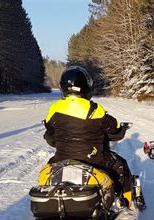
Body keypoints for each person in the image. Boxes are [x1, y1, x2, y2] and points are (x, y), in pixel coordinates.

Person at [43, 66, 133, 206]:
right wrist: (121, 129)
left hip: (62, 159)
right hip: (94, 160)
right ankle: (125, 200)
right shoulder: (95, 110)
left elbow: (49, 134)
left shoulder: (54, 109)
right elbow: (115, 132)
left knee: (49, 168)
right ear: (86, 87)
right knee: (120, 164)